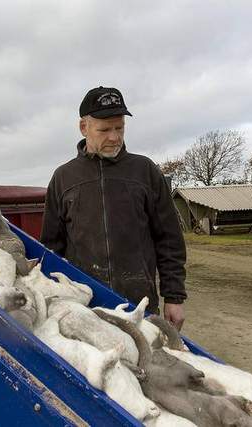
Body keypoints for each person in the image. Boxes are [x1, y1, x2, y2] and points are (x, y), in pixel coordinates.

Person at [40, 86, 187, 329]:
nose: (114, 137)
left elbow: (169, 239)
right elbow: (52, 248)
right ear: (83, 127)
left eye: (119, 128)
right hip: (84, 307)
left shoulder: (145, 171)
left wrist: (174, 297)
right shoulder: (63, 178)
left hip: (139, 305)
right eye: (105, 129)